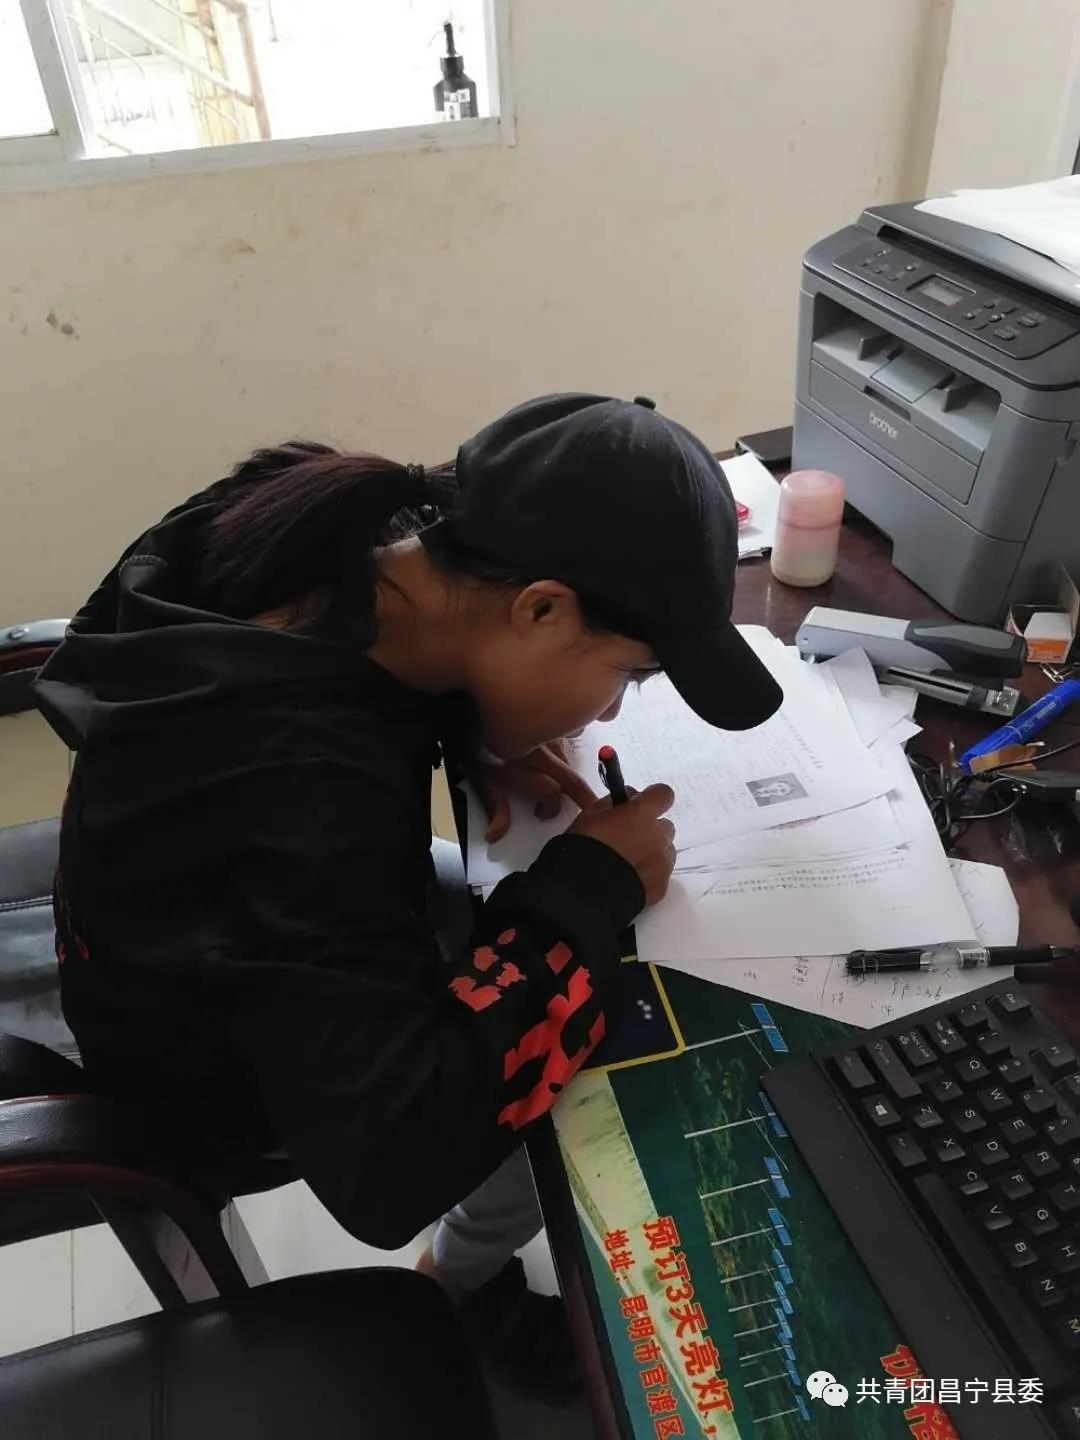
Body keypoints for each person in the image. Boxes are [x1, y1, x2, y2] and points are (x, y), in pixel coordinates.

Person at [34, 393, 782, 1401]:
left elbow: (335, 719)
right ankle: (458, 1282)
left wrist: (471, 721)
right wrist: (589, 887)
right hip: (215, 1067)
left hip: (170, 924)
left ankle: (469, 1268)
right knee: (593, 1037)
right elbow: (392, 1169)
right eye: (628, 675)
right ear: (540, 610)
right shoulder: (306, 803)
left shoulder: (337, 523)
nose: (609, 709)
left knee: (537, 949)